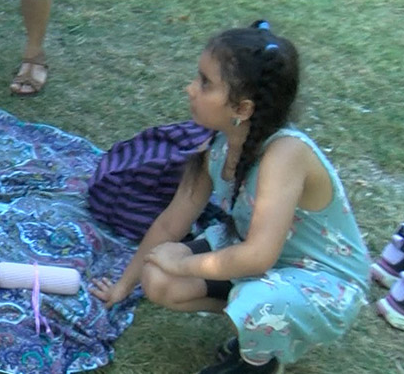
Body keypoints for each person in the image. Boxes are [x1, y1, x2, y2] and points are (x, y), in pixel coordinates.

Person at [90, 22, 371, 374]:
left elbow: (257, 257)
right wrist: (122, 286)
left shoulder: (286, 154)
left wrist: (183, 264)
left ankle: (259, 362)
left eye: (205, 83)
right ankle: (262, 329)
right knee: (157, 277)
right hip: (264, 262)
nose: (190, 89)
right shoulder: (217, 145)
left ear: (242, 109)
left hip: (322, 281)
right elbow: (171, 222)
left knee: (252, 299)